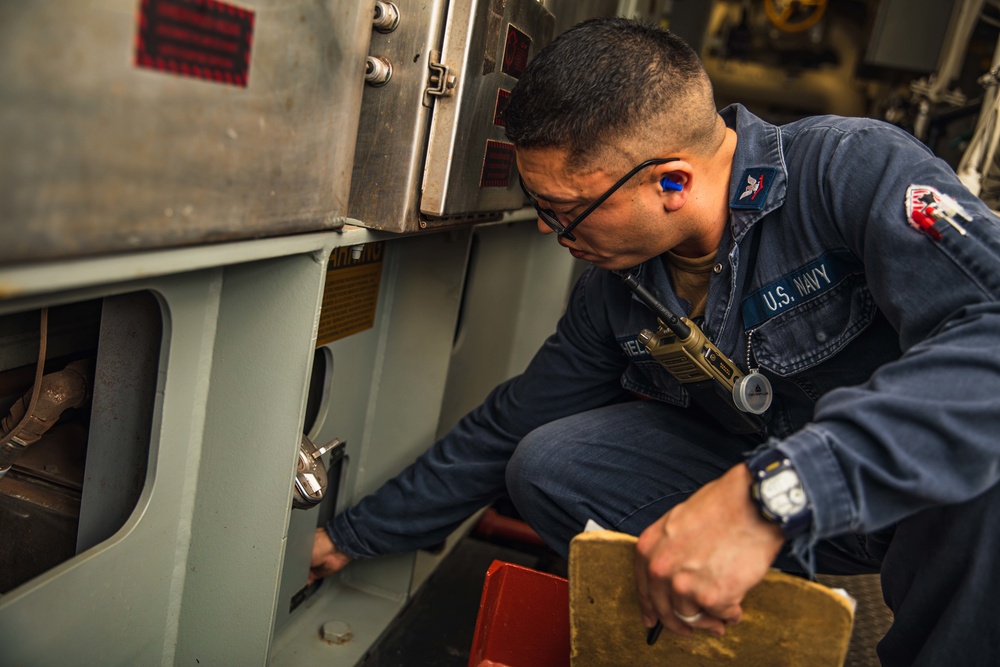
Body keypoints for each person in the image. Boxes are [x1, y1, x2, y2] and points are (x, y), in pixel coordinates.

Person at [311, 17, 1000, 665]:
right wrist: (351, 536)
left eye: (565, 211)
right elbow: (512, 421)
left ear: (673, 181)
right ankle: (750, 633)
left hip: (895, 493)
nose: (553, 234)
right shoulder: (618, 289)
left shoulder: (849, 171)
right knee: (547, 463)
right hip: (768, 504)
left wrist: (775, 492)